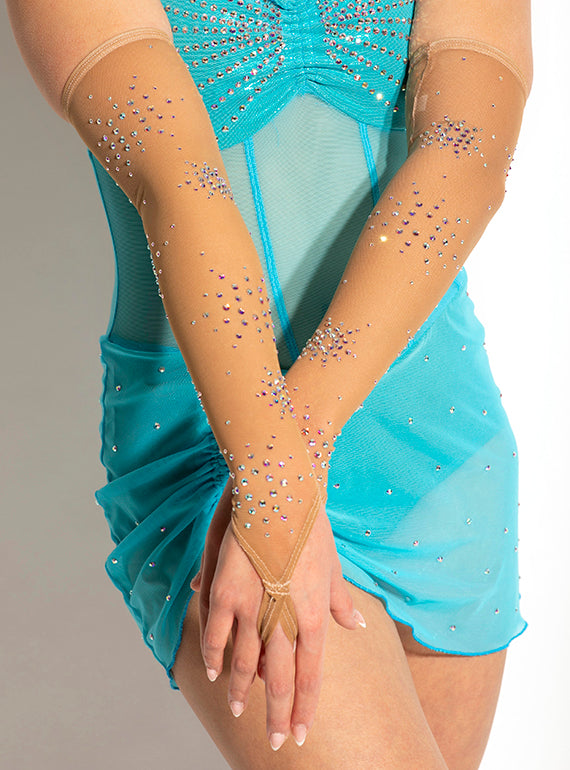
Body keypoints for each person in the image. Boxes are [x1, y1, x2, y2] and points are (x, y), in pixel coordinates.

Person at [7, 0, 532, 766]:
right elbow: (179, 183)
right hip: (217, 448)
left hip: (434, 442)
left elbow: (467, 155)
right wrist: (272, 481)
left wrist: (293, 459)